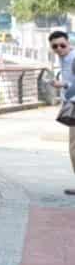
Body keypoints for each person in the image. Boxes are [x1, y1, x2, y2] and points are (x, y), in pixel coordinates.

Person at [51, 30, 75, 197]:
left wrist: (64, 85)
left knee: (74, 148)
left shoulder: (72, 58)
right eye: (55, 46)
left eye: (62, 45)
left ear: (69, 43)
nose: (59, 48)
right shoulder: (63, 59)